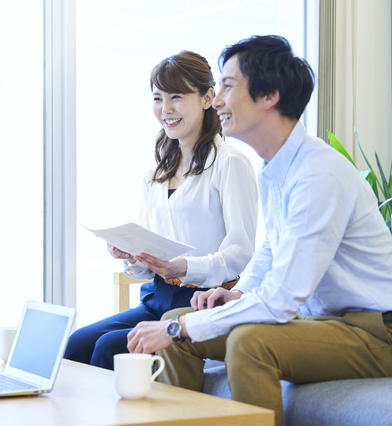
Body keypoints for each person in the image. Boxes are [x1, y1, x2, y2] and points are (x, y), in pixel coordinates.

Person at [126, 35, 392, 426]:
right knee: (183, 331)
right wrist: (237, 292)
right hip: (320, 322)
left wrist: (176, 325)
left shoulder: (319, 174)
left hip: (375, 332)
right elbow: (271, 249)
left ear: (269, 95)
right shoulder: (275, 169)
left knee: (247, 343)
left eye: (228, 86)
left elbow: (282, 298)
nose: (217, 101)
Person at [65, 51, 258, 370]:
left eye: (177, 97)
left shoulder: (230, 163)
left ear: (207, 97)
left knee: (111, 347)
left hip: (203, 302)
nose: (166, 109)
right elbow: (149, 261)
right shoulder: (157, 172)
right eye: (158, 98)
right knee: (77, 344)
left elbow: (240, 251)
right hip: (157, 297)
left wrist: (185, 267)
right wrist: (132, 255)